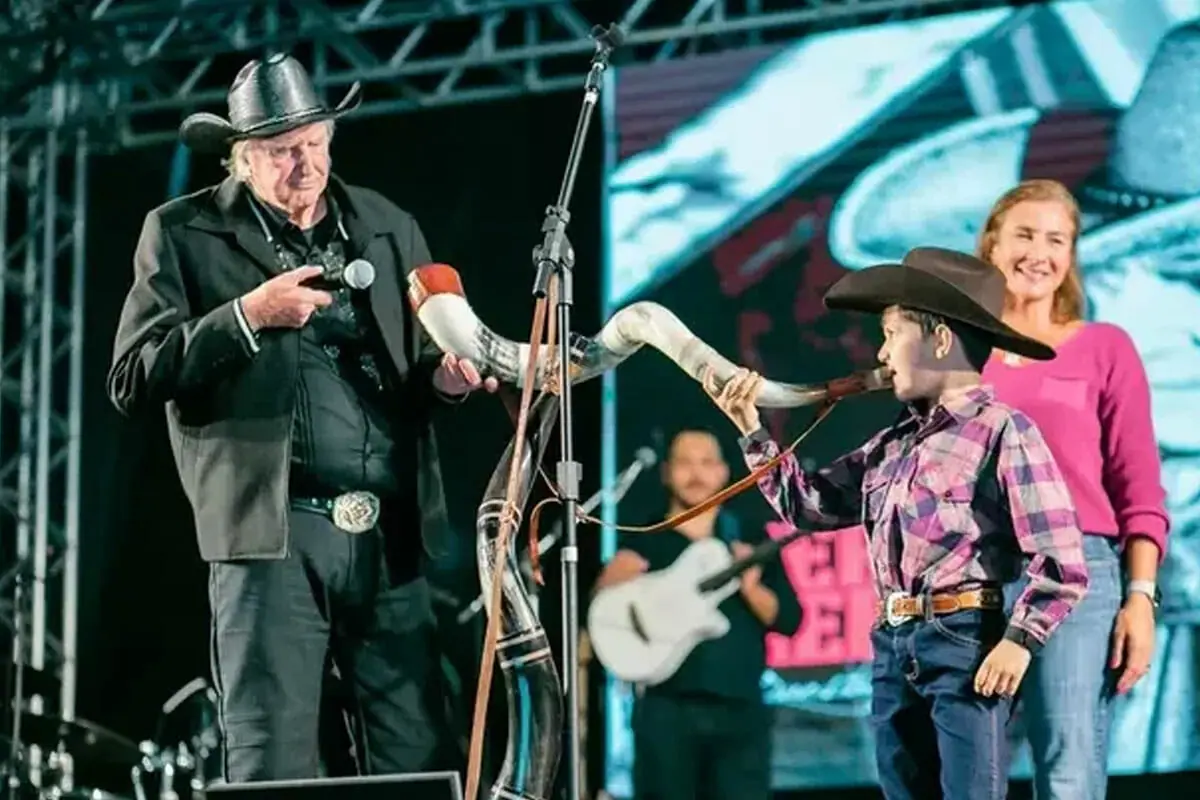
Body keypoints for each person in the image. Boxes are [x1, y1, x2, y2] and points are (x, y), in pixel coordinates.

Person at [106, 53, 498, 783]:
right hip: (271, 538)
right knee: (272, 758)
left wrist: (445, 383)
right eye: (284, 152)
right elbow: (132, 377)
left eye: (316, 143)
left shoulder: (383, 224)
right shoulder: (183, 232)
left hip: (389, 535)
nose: (306, 164)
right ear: (241, 159)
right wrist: (248, 317)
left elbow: (417, 375)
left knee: (414, 755)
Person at [703, 246, 1091, 800]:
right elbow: (809, 505)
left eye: (891, 332)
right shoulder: (891, 445)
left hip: (963, 645)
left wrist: (1019, 640)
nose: (881, 351)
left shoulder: (1003, 431)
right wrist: (751, 427)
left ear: (938, 340)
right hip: (893, 643)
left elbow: (1062, 562)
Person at [977, 179, 1170, 798]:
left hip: (1075, 572)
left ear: (1070, 257)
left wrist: (1140, 597)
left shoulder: (1103, 347)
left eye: (1056, 239)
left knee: (1066, 766)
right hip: (967, 576)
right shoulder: (953, 352)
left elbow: (1138, 486)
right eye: (1025, 235)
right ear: (991, 245)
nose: (1039, 252)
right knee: (964, 769)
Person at [593, 428, 802, 800]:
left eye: (707, 463)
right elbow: (603, 615)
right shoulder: (643, 538)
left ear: (724, 472)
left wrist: (751, 586)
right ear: (666, 472)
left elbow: (789, 619)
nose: (696, 474)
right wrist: (604, 589)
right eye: (685, 463)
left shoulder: (748, 536)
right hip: (665, 712)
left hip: (740, 713)